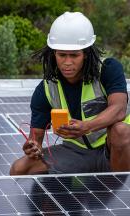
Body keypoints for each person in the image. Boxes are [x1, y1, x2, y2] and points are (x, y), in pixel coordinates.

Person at [10, 11, 130, 175]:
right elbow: (35, 138)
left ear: (86, 54)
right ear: (54, 54)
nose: (67, 62)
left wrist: (86, 127)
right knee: (20, 169)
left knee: (121, 131)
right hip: (77, 153)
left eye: (74, 55)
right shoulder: (45, 89)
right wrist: (33, 147)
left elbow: (119, 108)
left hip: (114, 149)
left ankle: (123, 196)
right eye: (62, 55)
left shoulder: (108, 69)